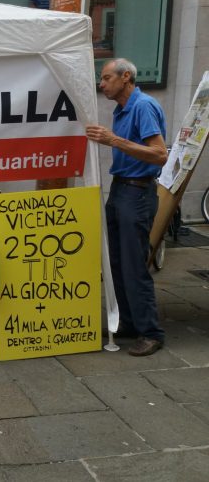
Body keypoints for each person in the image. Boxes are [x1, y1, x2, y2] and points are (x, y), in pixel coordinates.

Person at [86, 58, 168, 356]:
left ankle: (151, 331)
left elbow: (160, 154)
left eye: (107, 78)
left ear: (126, 77)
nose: (102, 83)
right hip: (121, 188)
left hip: (137, 192)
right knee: (116, 263)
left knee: (134, 265)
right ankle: (129, 323)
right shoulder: (122, 108)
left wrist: (114, 140)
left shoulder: (143, 106)